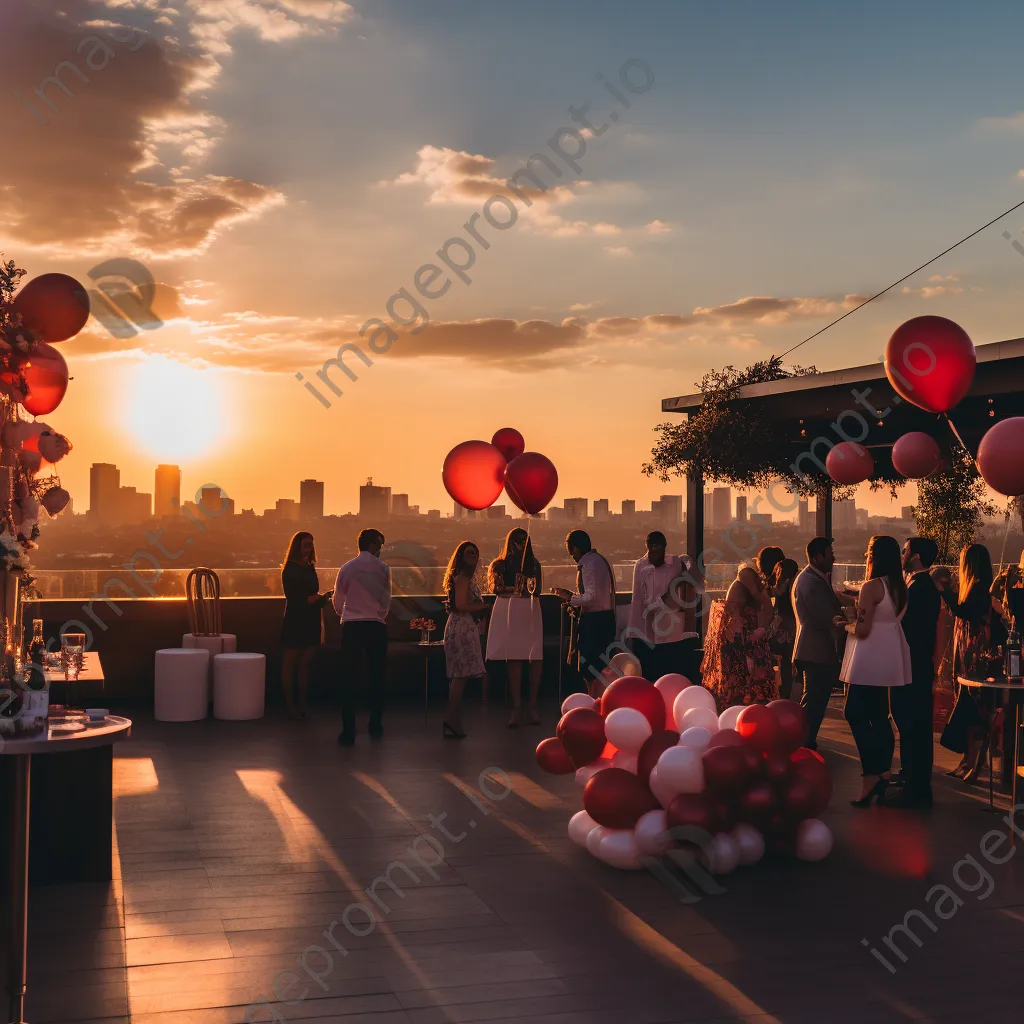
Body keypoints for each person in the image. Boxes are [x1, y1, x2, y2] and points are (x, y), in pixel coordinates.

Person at [838, 535, 911, 807]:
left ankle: (871, 774)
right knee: (880, 716)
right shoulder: (900, 587)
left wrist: (844, 625)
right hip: (889, 655)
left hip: (868, 657)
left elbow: (864, 628)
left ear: (874, 556)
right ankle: (882, 770)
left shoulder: (871, 586)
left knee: (853, 712)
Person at [937, 544, 1003, 782]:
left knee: (971, 709)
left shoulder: (977, 591)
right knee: (971, 710)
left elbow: (963, 611)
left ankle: (971, 762)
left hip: (974, 661)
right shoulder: (981, 589)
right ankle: (970, 760)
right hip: (972, 658)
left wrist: (943, 590)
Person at [889, 537, 942, 808]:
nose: (903, 553)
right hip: (915, 665)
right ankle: (912, 779)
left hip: (914, 666)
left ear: (916, 555)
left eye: (905, 549)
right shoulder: (919, 584)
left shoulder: (921, 587)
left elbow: (911, 630)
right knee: (912, 724)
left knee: (914, 726)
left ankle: (916, 788)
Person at [332, 528, 390, 747]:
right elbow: (386, 600)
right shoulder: (383, 568)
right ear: (373, 545)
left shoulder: (347, 568)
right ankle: (375, 724)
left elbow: (338, 601)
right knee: (377, 676)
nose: (381, 550)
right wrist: (378, 615)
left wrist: (346, 614)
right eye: (380, 545)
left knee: (349, 678)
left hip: (352, 627)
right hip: (375, 626)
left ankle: (348, 731)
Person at [792, 537, 847, 750]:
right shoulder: (811, 582)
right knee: (814, 700)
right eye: (830, 552)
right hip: (815, 650)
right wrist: (845, 622)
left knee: (815, 698)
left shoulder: (812, 578)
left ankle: (806, 740)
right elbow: (824, 616)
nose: (833, 557)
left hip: (815, 650)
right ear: (817, 557)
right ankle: (803, 743)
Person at [701, 560, 776, 713]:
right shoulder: (744, 582)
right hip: (739, 647)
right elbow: (764, 608)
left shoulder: (745, 589)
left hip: (741, 646)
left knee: (742, 692)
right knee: (743, 692)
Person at [486, 529, 543, 726]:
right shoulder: (500, 565)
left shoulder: (534, 565)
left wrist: (517, 590)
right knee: (515, 658)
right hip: (511, 610)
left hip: (529, 609)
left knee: (535, 658)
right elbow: (497, 589)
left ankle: (532, 706)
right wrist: (519, 589)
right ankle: (518, 706)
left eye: (523, 541)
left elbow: (538, 590)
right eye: (518, 542)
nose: (520, 545)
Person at [627, 532, 700, 683]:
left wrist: (687, 561)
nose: (655, 555)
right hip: (646, 633)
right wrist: (667, 598)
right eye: (652, 550)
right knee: (650, 679)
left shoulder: (675, 563)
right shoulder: (642, 566)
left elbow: (697, 584)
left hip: (672, 633)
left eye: (659, 550)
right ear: (647, 548)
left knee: (674, 678)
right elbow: (648, 604)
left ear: (664, 548)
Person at [553, 530, 616, 697]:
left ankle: (595, 700)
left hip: (595, 621)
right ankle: (599, 699)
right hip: (604, 618)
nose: (571, 556)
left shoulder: (589, 564)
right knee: (601, 666)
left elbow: (592, 596)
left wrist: (570, 598)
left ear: (575, 548)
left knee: (590, 667)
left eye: (570, 551)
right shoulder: (599, 561)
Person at [280, 531, 332, 719]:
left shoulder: (309, 566)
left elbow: (311, 595)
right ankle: (290, 705)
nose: (309, 548)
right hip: (296, 619)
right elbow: (297, 599)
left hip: (310, 619)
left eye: (311, 544)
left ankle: (302, 703)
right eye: (306, 544)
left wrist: (320, 599)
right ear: (297, 546)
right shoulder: (291, 569)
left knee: (305, 663)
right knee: (291, 663)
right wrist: (317, 599)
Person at [442, 541, 488, 737]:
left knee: (460, 676)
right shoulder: (462, 578)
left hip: (462, 626)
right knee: (460, 676)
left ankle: (453, 720)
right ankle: (452, 720)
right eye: (470, 553)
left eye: (476, 554)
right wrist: (483, 607)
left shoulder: (462, 577)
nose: (474, 557)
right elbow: (461, 605)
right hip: (461, 628)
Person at [768, 558, 799, 700]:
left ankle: (777, 693)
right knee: (788, 663)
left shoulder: (776, 586)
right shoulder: (794, 584)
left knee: (777, 662)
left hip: (778, 626)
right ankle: (786, 694)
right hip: (791, 626)